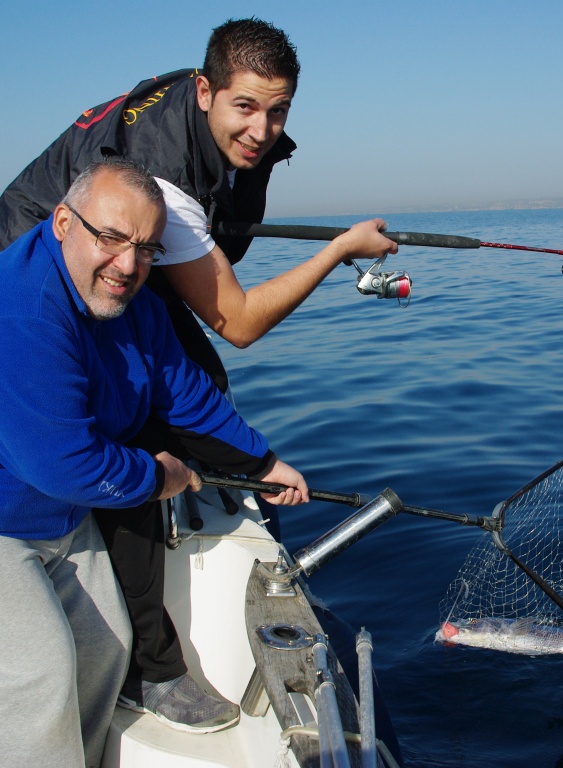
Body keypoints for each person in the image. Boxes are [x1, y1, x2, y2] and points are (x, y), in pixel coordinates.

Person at [0, 17, 399, 734]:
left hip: (87, 272)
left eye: (278, 111)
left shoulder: (155, 218)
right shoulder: (147, 198)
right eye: (246, 107)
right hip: (45, 300)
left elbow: (184, 379)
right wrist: (342, 248)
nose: (263, 128)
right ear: (206, 89)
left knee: (181, 387)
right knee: (129, 428)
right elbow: (239, 322)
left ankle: (131, 656)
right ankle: (156, 669)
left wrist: (263, 460)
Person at [0, 159, 310, 767]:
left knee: (109, 649)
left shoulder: (131, 298)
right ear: (63, 222)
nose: (128, 264)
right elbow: (67, 466)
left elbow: (180, 386)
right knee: (41, 677)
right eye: (110, 239)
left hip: (59, 518)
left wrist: (262, 462)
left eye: (146, 248)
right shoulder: (26, 313)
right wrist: (160, 477)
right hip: (10, 517)